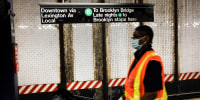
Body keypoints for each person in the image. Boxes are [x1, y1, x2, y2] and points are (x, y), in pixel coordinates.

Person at [124, 25, 168, 100]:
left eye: (136, 37)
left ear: (146, 39)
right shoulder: (138, 58)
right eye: (133, 37)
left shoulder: (153, 61)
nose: (134, 40)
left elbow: (152, 94)